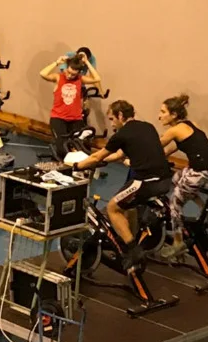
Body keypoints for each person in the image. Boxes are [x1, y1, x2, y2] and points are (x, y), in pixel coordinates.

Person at [70, 100, 172, 270]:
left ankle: (133, 251)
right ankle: (129, 238)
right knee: (129, 206)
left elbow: (97, 157)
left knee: (112, 208)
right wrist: (98, 160)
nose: (111, 124)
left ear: (120, 115)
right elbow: (117, 155)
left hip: (146, 182)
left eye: (112, 119)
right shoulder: (147, 127)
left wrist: (76, 165)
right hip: (165, 180)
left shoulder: (122, 134)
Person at [157, 94, 208, 260]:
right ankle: (206, 210)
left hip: (201, 171)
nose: (159, 116)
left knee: (175, 203)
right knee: (176, 179)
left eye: (163, 112)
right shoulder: (189, 124)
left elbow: (154, 146)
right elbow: (171, 149)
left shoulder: (174, 130)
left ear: (174, 115)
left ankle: (178, 242)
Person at [39, 52, 102, 155]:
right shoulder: (58, 77)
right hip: (58, 118)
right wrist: (57, 62)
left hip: (76, 119)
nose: (69, 76)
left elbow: (97, 79)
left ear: (78, 73)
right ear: (66, 68)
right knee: (62, 148)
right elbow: (42, 73)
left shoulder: (80, 79)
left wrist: (87, 62)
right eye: (68, 72)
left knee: (81, 147)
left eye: (73, 74)